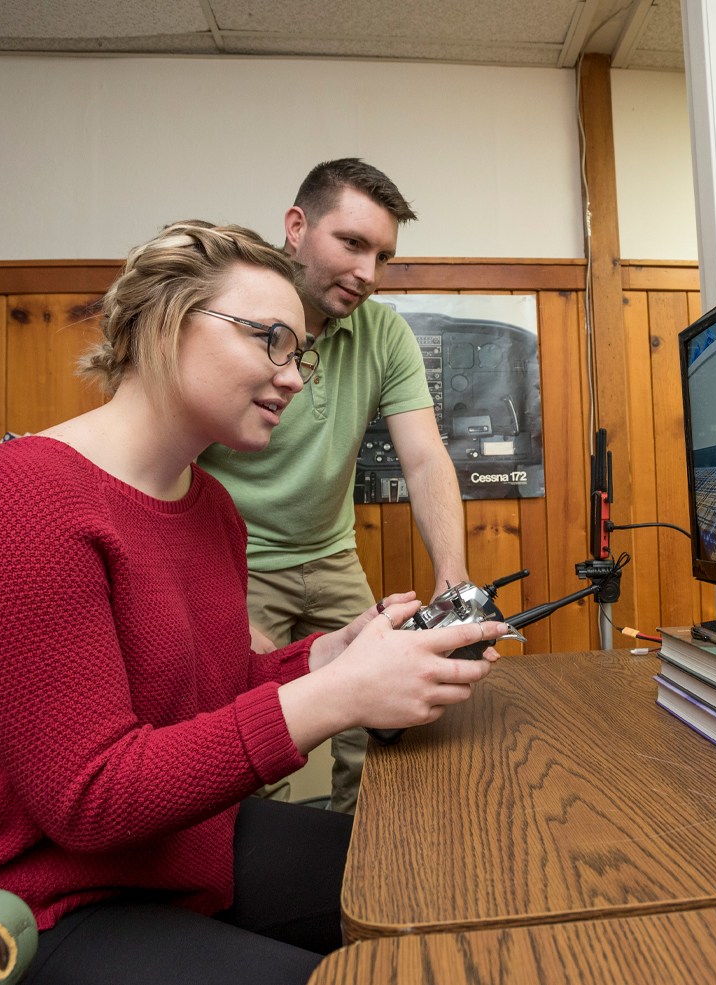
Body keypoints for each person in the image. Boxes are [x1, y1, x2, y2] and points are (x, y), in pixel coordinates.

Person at [0, 221, 506, 984]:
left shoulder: (214, 507)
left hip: (185, 842)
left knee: (443, 888)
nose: (293, 376)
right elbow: (90, 797)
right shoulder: (25, 496)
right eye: (269, 338)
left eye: (298, 351)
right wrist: (337, 694)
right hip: (61, 897)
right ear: (165, 323)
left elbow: (214, 698)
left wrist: (329, 653)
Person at [199, 159, 469, 812]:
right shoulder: (233, 315)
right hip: (235, 560)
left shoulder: (383, 332)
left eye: (382, 255)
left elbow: (427, 457)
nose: (368, 274)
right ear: (297, 227)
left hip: (331, 552)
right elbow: (171, 462)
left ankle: (358, 873)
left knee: (381, 722)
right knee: (247, 733)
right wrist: (213, 596)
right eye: (351, 243)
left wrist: (454, 578)